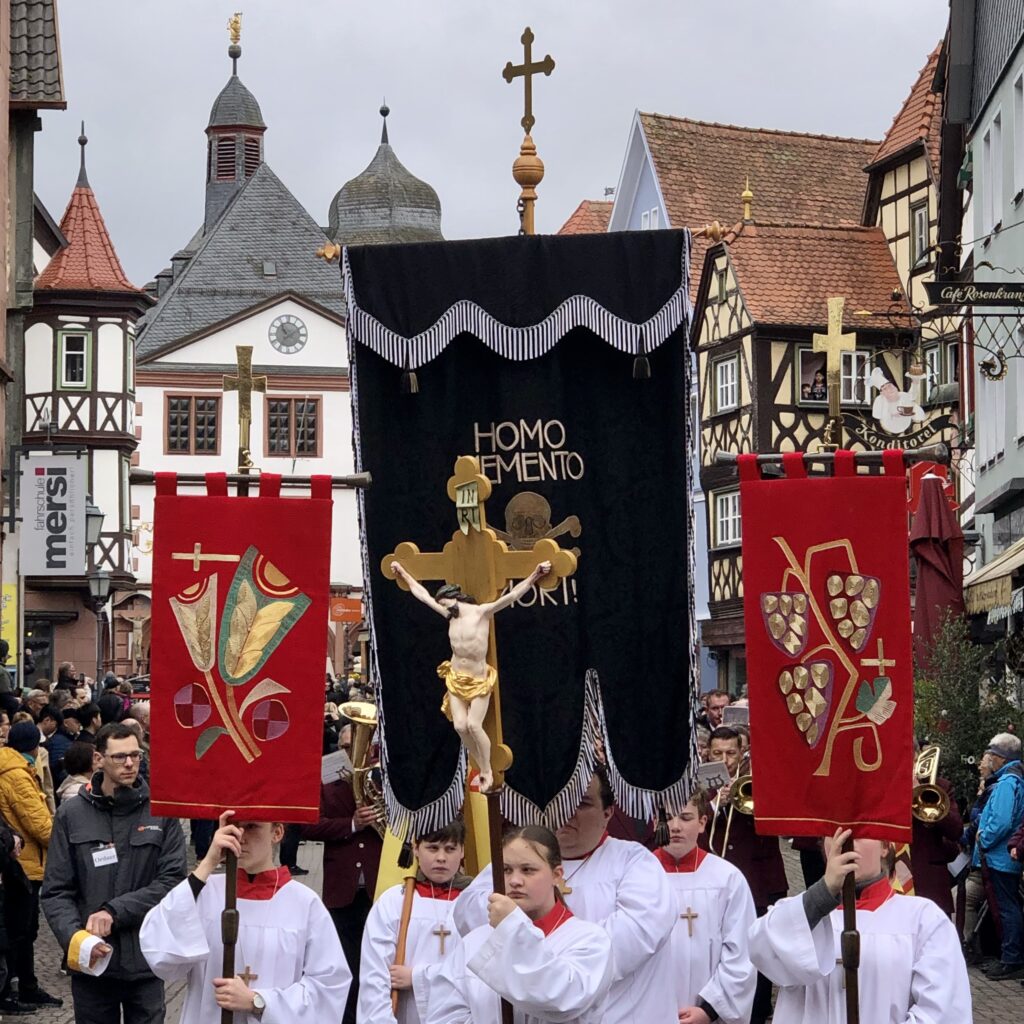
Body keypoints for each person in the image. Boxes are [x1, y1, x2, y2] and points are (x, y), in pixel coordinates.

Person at [454, 768, 677, 1024]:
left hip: (621, 1012)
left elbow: (636, 935)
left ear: (608, 813)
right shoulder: (514, 858)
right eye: (561, 800)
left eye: (582, 803)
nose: (569, 812)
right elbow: (467, 914)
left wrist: (540, 956)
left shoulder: (633, 861)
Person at [141, 810, 350, 1023]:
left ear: (277, 833)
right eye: (234, 826)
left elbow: (329, 986)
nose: (240, 836)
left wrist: (258, 1001)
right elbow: (158, 949)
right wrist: (208, 863)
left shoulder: (304, 903)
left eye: (251, 827)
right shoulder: (204, 892)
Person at [41, 722, 187, 1023]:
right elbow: (56, 891)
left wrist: (114, 911)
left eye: (136, 755)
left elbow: (172, 882)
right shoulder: (72, 814)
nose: (130, 763)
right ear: (99, 759)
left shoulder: (161, 810)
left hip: (145, 961)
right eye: (120, 757)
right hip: (93, 966)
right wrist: (76, 939)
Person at [749, 826, 972, 1022]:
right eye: (833, 833)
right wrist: (823, 893)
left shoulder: (923, 919)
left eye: (860, 833)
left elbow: (941, 1011)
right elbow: (762, 951)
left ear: (885, 846)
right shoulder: (798, 912)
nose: (846, 841)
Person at [389, 559, 551, 793]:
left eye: (444, 601)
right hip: (456, 677)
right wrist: (403, 573)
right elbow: (422, 595)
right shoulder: (449, 616)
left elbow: (512, 596)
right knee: (459, 726)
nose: (442, 606)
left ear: (455, 598)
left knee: (474, 726)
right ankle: (479, 763)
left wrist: (534, 574)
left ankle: (486, 769)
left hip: (477, 679)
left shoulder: (481, 613)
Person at [429, 825, 612, 1024]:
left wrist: (512, 930)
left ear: (557, 875)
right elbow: (445, 1013)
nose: (515, 881)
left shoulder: (590, 941)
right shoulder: (474, 942)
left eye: (528, 870)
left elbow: (562, 999)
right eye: (506, 870)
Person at [703, 726, 786, 1024]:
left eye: (731, 753)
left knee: (759, 951)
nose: (725, 760)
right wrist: (715, 804)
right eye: (718, 753)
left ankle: (759, 1011)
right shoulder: (701, 787)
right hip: (715, 883)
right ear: (707, 754)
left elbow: (777, 820)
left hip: (759, 881)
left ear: (742, 753)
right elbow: (696, 829)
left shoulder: (759, 778)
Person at [303, 723, 383, 1024]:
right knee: (346, 965)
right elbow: (310, 825)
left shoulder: (383, 781)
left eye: (360, 746)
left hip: (379, 886)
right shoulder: (327, 781)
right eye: (348, 747)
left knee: (377, 964)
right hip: (342, 889)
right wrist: (351, 823)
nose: (354, 752)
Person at [655, 791, 756, 1024]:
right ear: (655, 823)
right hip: (650, 1009)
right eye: (667, 817)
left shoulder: (726, 878)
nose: (675, 826)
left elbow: (741, 952)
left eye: (685, 817)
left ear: (702, 823)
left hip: (708, 1014)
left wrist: (710, 1009)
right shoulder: (639, 875)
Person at [359, 821, 469, 1024]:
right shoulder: (394, 902)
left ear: (462, 851)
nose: (441, 858)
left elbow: (477, 975)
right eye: (432, 848)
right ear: (416, 848)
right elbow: (375, 975)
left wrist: (417, 978)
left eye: (450, 849)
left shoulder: (475, 904)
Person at [0, 720, 59, 1012]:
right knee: (20, 930)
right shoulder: (16, 775)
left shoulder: (16, 769)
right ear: (35, 747)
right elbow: (41, 826)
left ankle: (24, 985)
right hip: (22, 864)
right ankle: (19, 989)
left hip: (23, 862)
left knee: (23, 929)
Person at [972, 733, 1024, 978]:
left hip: (999, 858)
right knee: (1005, 906)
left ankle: (1011, 959)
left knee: (1006, 908)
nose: (988, 759)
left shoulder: (1006, 783)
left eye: (990, 755)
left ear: (1000, 758)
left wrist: (984, 838)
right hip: (1002, 856)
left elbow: (1001, 821)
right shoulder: (1013, 780)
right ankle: (1008, 957)